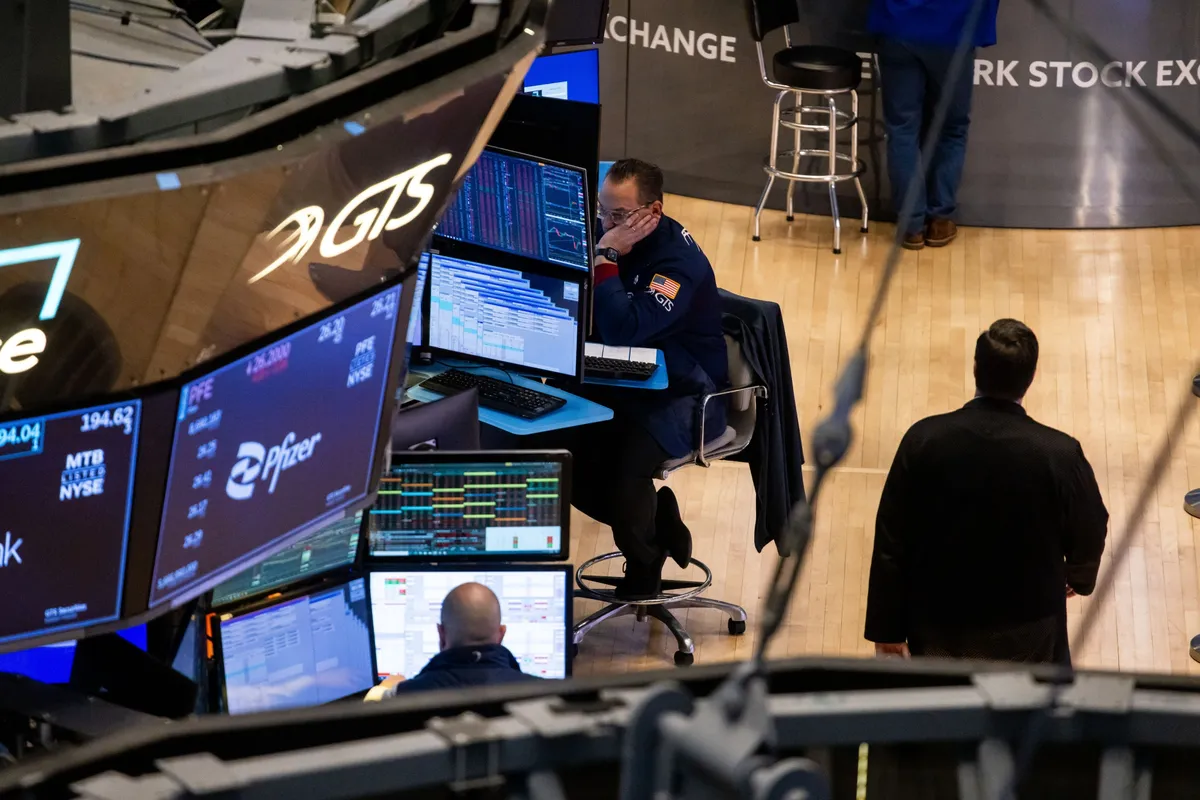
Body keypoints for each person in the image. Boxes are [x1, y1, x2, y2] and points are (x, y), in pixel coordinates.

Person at [530, 158, 729, 600]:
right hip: (619, 374)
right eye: (602, 210)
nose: (606, 223)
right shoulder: (606, 231)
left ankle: (645, 564)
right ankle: (657, 520)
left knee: (624, 465)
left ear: (653, 211)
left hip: (683, 392)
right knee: (550, 448)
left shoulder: (677, 263)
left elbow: (625, 327)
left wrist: (604, 256)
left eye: (619, 215)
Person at [864, 319, 1109, 665]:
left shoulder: (923, 440)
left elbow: (891, 540)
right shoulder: (1060, 454)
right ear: (1031, 376)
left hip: (938, 633)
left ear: (976, 368)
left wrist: (886, 630)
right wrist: (1078, 577)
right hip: (1031, 640)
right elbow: (1091, 525)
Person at [869, 0, 1001, 250]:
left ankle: (911, 227)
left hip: (899, 25)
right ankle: (940, 220)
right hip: (954, 29)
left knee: (902, 129)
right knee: (952, 128)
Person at [371, 583, 539, 697]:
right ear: (501, 634)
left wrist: (389, 688)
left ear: (441, 634)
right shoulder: (545, 694)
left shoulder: (402, 696)